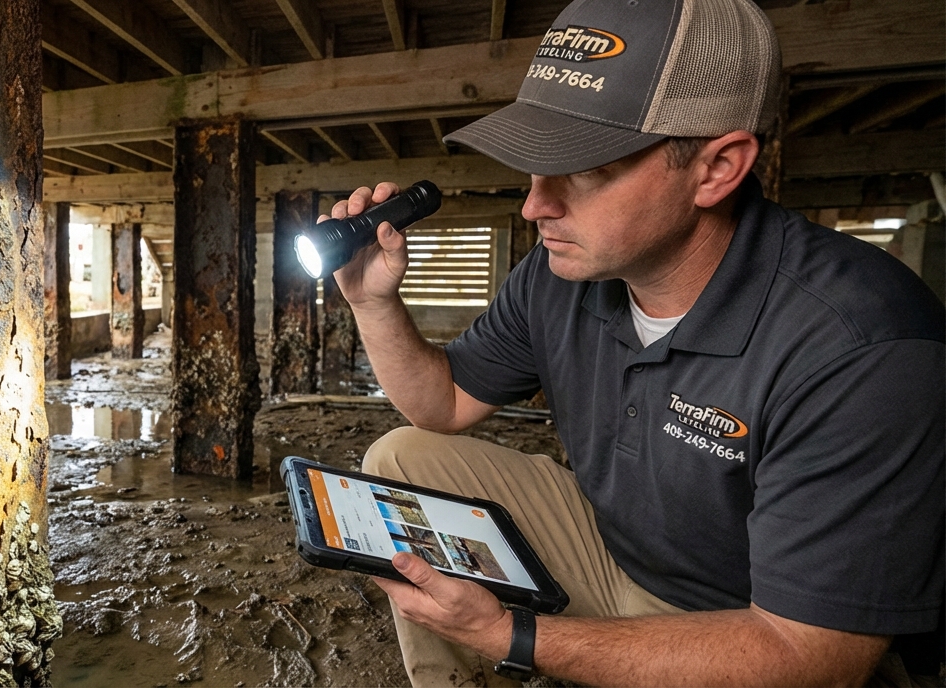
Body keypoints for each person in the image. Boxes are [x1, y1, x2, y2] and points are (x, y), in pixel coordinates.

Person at [323, 0, 945, 684]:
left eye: (584, 168)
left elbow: (814, 659)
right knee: (404, 456)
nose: (536, 205)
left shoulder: (863, 346)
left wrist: (512, 634)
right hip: (613, 551)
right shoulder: (560, 275)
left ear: (717, 168)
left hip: (755, 623)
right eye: (534, 161)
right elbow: (440, 405)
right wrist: (372, 301)